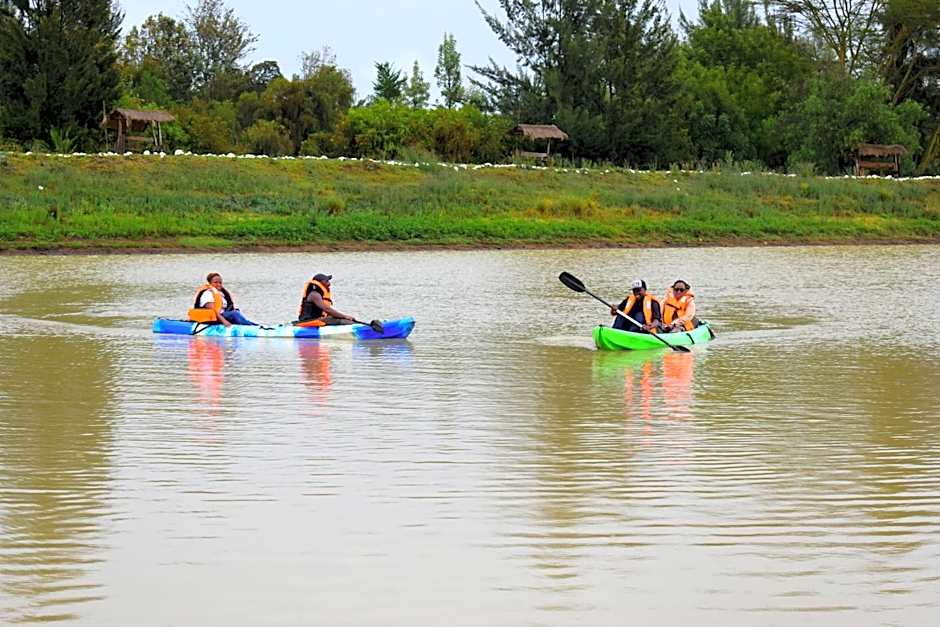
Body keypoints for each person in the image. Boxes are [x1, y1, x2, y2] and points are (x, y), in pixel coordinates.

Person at [187, 272, 259, 327]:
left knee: (236, 312)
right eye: (215, 282)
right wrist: (224, 321)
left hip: (222, 316)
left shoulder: (221, 294)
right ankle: (250, 327)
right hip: (213, 318)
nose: (219, 284)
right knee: (234, 314)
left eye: (220, 283)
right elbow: (213, 310)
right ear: (210, 283)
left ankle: (256, 326)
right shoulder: (207, 294)